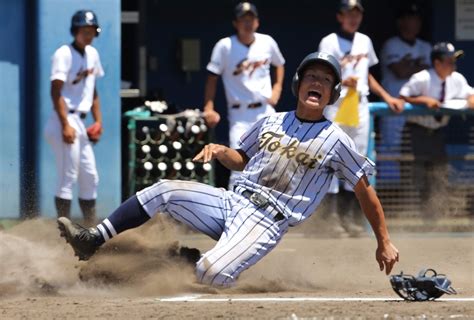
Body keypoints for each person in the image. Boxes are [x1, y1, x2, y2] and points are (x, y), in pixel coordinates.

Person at [57, 52, 399, 287]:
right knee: (163, 189)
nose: (318, 82)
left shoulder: (336, 140)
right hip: (232, 202)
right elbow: (244, 159)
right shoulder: (272, 122)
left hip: (267, 222)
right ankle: (93, 239)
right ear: (299, 83)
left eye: (326, 80)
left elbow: (363, 190)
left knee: (210, 273)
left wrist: (383, 241)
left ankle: (183, 261)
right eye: (312, 75)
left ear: (333, 92)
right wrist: (223, 151)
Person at [317, 0, 405, 236]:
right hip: (338, 104)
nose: (353, 18)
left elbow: (367, 74)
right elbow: (323, 71)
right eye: (348, 13)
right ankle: (331, 217)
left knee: (356, 160)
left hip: (360, 105)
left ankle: (350, 217)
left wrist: (387, 97)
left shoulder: (364, 41)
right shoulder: (329, 41)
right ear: (340, 16)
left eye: (357, 14)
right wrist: (341, 80)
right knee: (331, 157)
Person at [203, 2, 285, 188]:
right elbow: (212, 77)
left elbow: (279, 63)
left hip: (265, 110)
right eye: (243, 19)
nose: (248, 23)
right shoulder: (225, 46)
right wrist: (208, 107)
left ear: (257, 22)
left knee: (274, 162)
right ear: (235, 23)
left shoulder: (267, 42)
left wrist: (277, 89)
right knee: (238, 165)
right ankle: (235, 211)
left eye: (251, 19)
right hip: (240, 114)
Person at [399, 42, 474, 219]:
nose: (453, 65)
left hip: (437, 132)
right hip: (416, 131)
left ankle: (433, 217)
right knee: (415, 175)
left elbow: (470, 93)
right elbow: (402, 96)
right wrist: (424, 100)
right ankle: (409, 215)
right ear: (437, 63)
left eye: (454, 61)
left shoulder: (456, 79)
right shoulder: (422, 77)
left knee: (437, 173)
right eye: (449, 61)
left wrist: (471, 100)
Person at [44, 10, 104, 226]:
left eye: (92, 30)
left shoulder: (92, 54)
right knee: (67, 177)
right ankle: (64, 232)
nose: (88, 35)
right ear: (76, 30)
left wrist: (98, 121)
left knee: (90, 177)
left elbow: (93, 90)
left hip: (80, 121)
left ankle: (91, 231)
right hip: (63, 120)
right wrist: (65, 125)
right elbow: (55, 91)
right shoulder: (64, 53)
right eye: (84, 30)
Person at [378, 3, 432, 171]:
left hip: (418, 105)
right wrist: (420, 67)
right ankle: (389, 188)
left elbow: (433, 72)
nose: (414, 22)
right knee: (390, 146)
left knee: (418, 147)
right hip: (394, 105)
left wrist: (411, 67)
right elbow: (400, 71)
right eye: (410, 18)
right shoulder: (391, 45)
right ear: (401, 22)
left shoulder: (426, 46)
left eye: (416, 19)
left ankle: (414, 189)